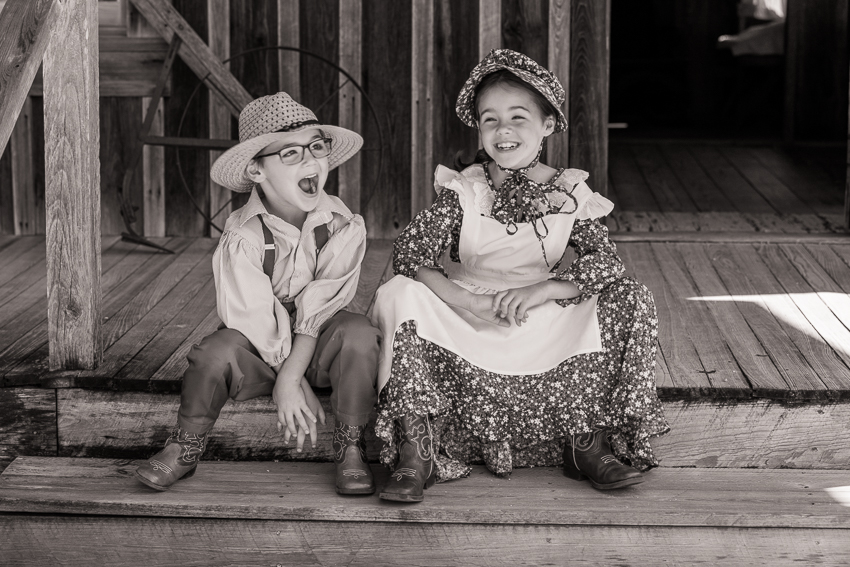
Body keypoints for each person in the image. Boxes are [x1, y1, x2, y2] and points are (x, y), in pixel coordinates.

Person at [370, 49, 669, 503]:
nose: (502, 130)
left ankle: (586, 441)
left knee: (629, 296)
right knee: (399, 293)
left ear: (548, 125)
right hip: (471, 309)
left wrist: (544, 287)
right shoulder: (465, 188)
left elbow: (605, 261)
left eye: (517, 117)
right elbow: (410, 252)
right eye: (490, 120)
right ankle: (418, 449)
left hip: (536, 308)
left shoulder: (569, 191)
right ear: (479, 129)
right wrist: (469, 302)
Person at [135, 92, 381, 496]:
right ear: (256, 170)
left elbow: (320, 309)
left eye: (316, 147)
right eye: (289, 153)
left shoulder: (342, 224)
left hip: (316, 345)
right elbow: (252, 319)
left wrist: (295, 374)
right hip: (259, 354)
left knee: (358, 332)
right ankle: (185, 445)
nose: (309, 161)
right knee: (213, 353)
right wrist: (290, 382)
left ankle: (350, 446)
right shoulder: (243, 237)